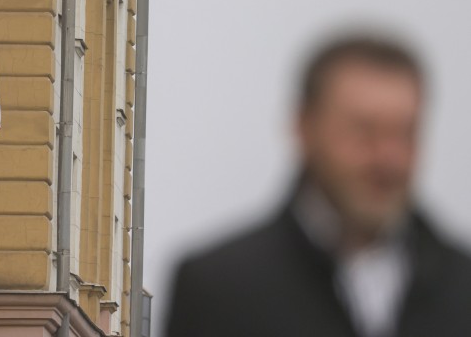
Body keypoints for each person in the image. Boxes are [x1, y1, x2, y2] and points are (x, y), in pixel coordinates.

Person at [164, 33, 471, 337]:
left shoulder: (462, 286)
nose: (389, 158)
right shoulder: (218, 288)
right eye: (365, 130)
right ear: (304, 128)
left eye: (405, 133)